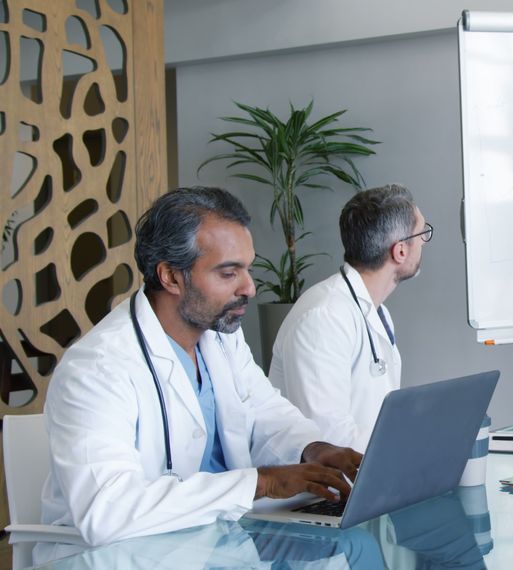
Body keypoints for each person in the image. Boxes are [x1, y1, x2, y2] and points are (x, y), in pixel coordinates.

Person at [37, 187, 362, 564]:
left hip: (221, 546)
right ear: (171, 277)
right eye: (229, 273)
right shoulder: (95, 368)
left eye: (248, 268)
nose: (249, 288)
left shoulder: (221, 337)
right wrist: (263, 482)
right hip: (121, 557)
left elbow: (264, 411)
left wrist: (313, 449)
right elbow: (108, 512)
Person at [269, 184, 430, 451]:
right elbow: (328, 439)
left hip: (367, 475)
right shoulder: (323, 318)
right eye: (423, 233)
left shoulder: (375, 310)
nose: (424, 242)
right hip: (324, 487)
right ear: (400, 251)